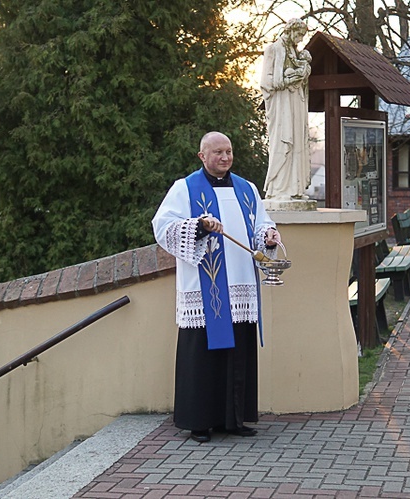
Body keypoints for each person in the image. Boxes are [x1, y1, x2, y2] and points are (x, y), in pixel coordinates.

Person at [152, 131, 281, 443]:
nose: (225, 158)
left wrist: (268, 236)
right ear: (202, 156)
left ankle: (233, 419)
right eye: (218, 152)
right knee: (203, 356)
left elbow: (260, 222)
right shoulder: (185, 189)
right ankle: (199, 421)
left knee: (238, 353)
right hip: (207, 287)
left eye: (229, 151)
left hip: (242, 285)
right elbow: (163, 226)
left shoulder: (247, 189)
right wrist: (199, 226)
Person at [260, 18, 312, 201]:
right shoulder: (273, 50)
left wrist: (302, 75)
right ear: (290, 31)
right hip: (281, 104)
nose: (300, 39)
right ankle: (280, 189)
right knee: (283, 143)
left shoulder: (297, 55)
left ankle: (295, 189)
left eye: (302, 36)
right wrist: (288, 79)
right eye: (298, 35)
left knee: (297, 143)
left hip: (296, 103)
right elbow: (266, 82)